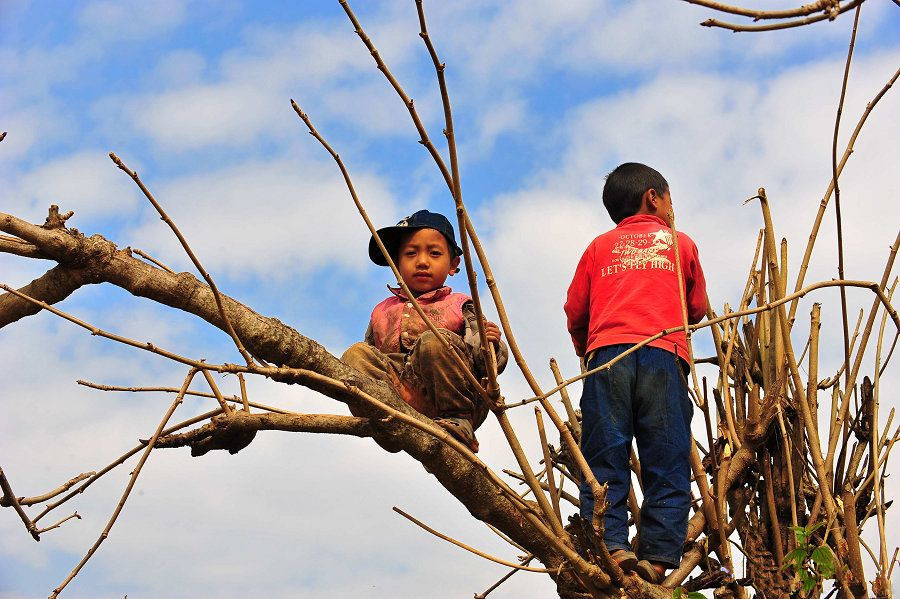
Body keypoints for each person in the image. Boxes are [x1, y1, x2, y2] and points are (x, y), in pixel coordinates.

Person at [564, 163, 707, 583]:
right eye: (668, 199)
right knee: (667, 456)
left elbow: (576, 310)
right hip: (663, 352)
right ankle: (659, 557)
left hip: (607, 359)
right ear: (653, 197)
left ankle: (611, 546)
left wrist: (587, 352)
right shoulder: (680, 244)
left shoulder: (597, 247)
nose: (670, 208)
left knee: (604, 454)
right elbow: (695, 307)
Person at [342, 209, 508, 452]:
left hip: (454, 399)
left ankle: (458, 421)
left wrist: (490, 345)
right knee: (355, 355)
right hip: (400, 397)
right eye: (410, 253)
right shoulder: (381, 311)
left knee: (434, 340)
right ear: (396, 264)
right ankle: (384, 419)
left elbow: (488, 365)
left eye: (434, 253)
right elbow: (371, 359)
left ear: (453, 264)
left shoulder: (460, 305)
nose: (422, 261)